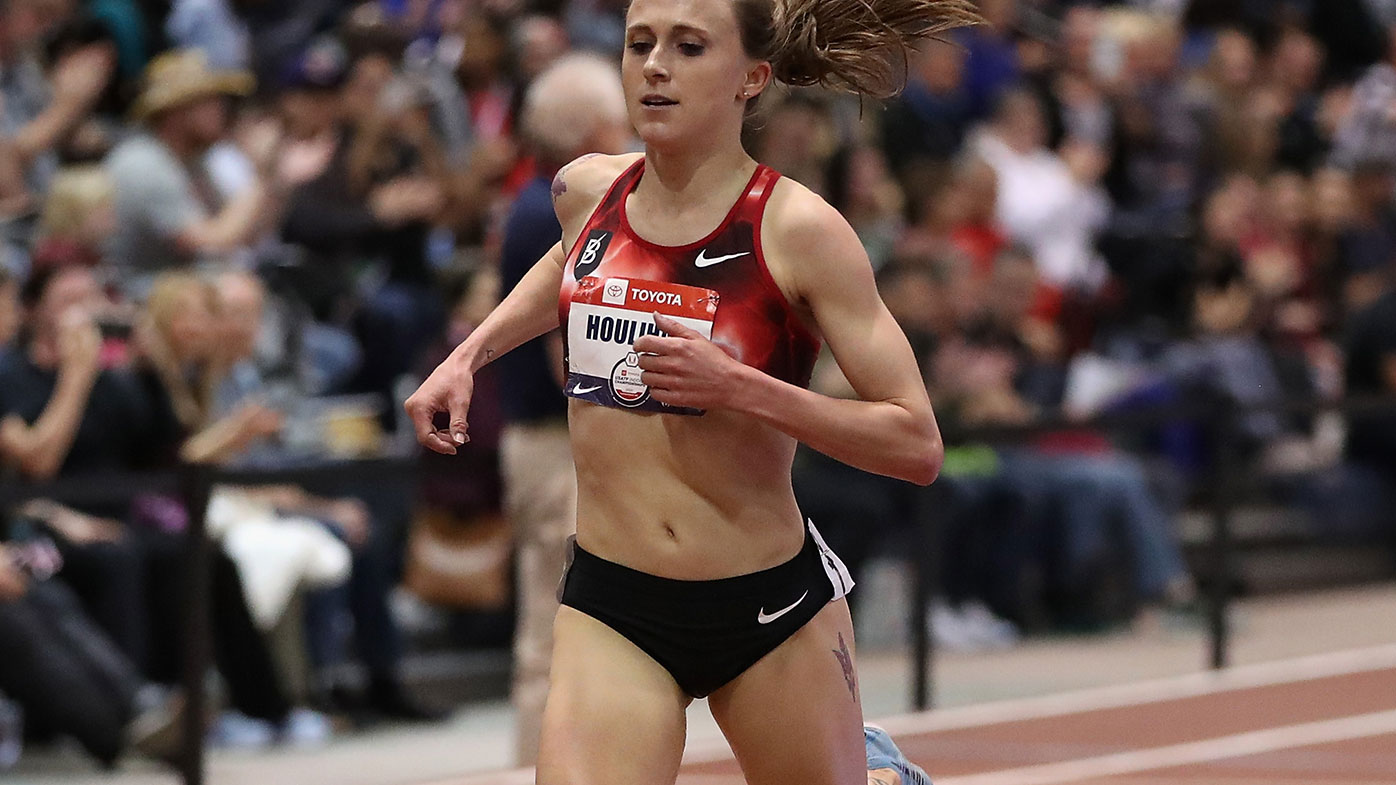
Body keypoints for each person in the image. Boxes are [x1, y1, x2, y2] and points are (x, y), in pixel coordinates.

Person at [404, 0, 976, 783]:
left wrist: (742, 386)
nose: (654, 66)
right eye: (639, 43)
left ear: (751, 77)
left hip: (768, 610)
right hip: (615, 604)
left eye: (688, 46)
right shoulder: (586, 194)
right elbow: (570, 264)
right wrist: (471, 353)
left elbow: (917, 443)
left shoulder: (798, 230)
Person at [499, 51, 633, 765]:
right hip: (559, 443)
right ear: (589, 126)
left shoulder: (534, 201)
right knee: (559, 633)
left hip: (546, 440)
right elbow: (570, 355)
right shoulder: (555, 209)